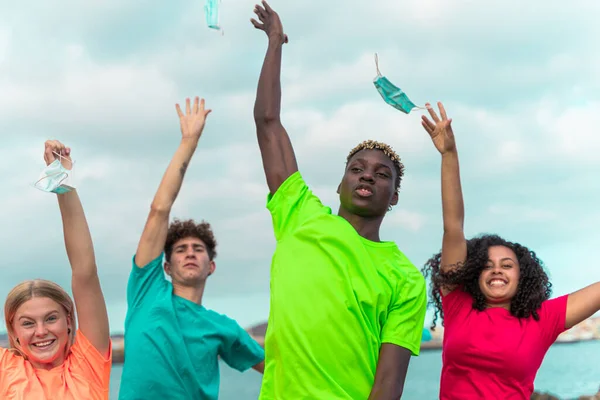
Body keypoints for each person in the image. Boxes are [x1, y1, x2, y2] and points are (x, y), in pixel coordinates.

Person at [250, 2, 428, 398]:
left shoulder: (405, 279)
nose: (367, 174)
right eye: (357, 168)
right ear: (340, 184)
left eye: (382, 175)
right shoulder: (299, 213)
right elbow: (268, 123)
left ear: (393, 197)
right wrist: (275, 42)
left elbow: (388, 387)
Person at [420, 102, 600, 399]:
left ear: (522, 275)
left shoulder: (543, 319)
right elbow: (453, 227)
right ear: (475, 273)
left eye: (507, 265)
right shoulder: (457, 303)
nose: (497, 270)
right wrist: (449, 154)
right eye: (488, 265)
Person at [118, 97, 265, 400]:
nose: (189, 253)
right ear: (166, 267)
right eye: (181, 249)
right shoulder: (148, 292)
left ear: (211, 266)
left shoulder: (223, 328)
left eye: (198, 249)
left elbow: (279, 368)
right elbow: (160, 209)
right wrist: (189, 141)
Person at [1, 140, 112, 399]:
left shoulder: (88, 364)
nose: (41, 331)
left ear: (69, 321)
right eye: (27, 323)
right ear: (13, 331)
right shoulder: (5, 369)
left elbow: (85, 273)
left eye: (51, 318)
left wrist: (63, 182)